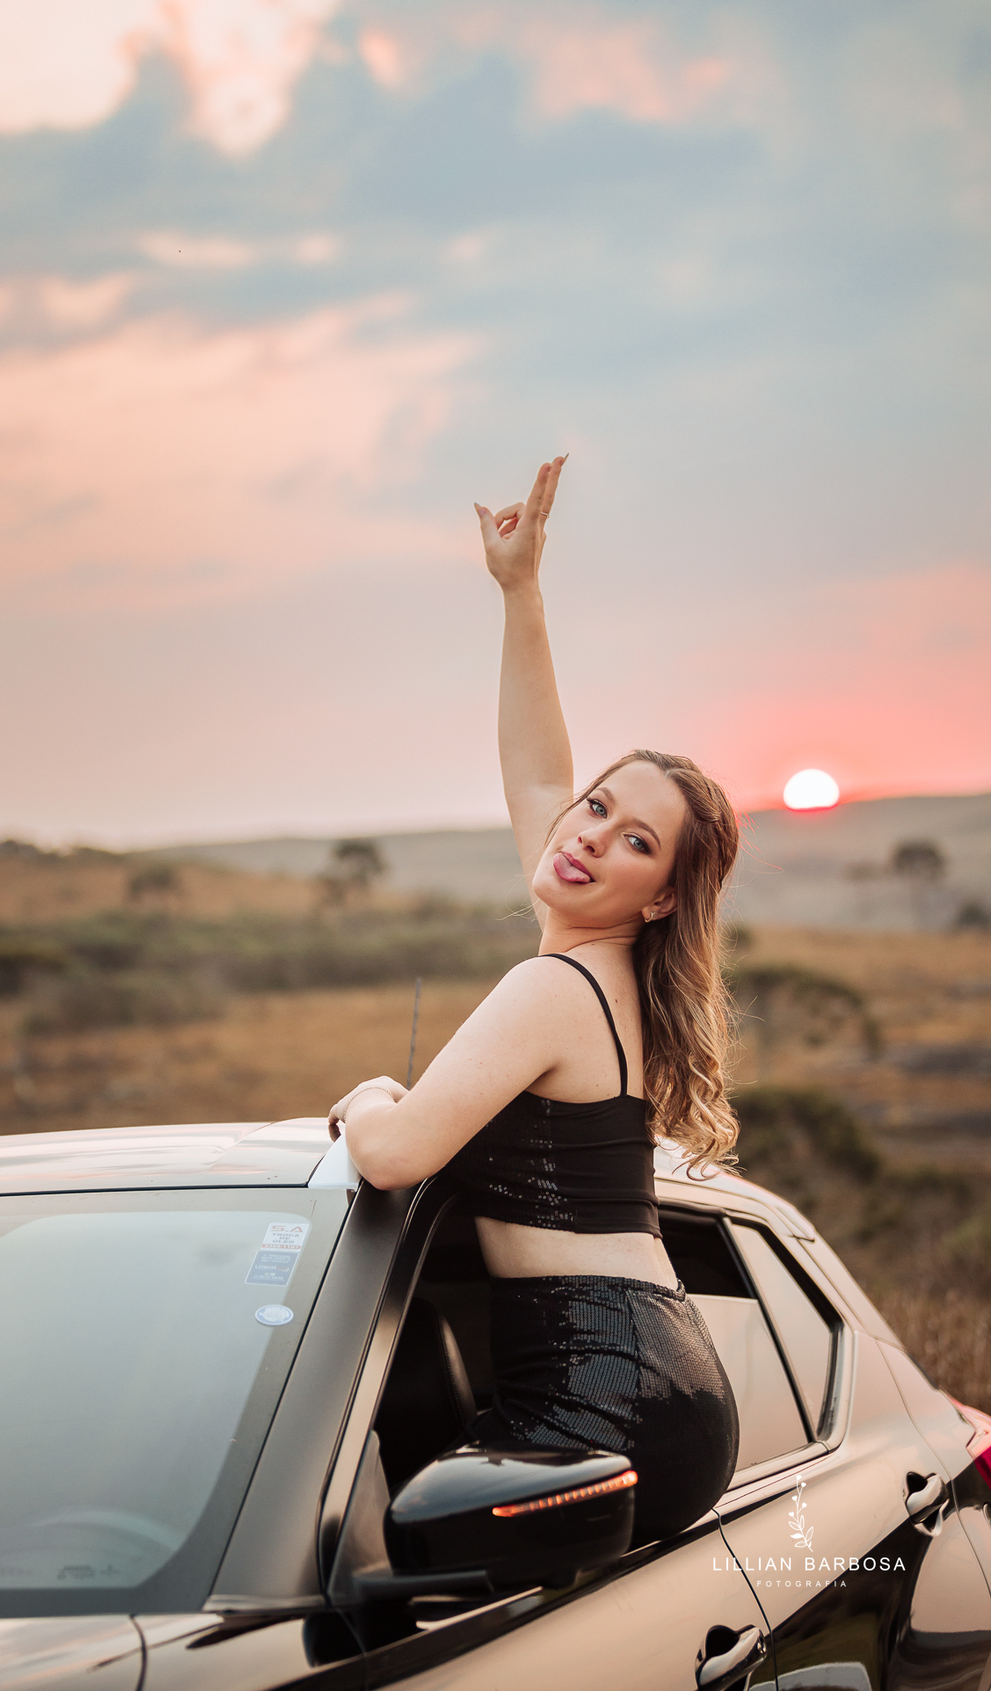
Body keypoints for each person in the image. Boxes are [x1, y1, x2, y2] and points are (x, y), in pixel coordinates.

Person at [327, 455, 741, 1541]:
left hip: (607, 1394)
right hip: (638, 1375)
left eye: (635, 840)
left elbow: (392, 1153)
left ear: (659, 898)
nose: (590, 835)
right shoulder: (603, 971)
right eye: (600, 809)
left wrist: (371, 1092)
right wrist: (521, 593)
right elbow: (537, 782)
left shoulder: (556, 986)